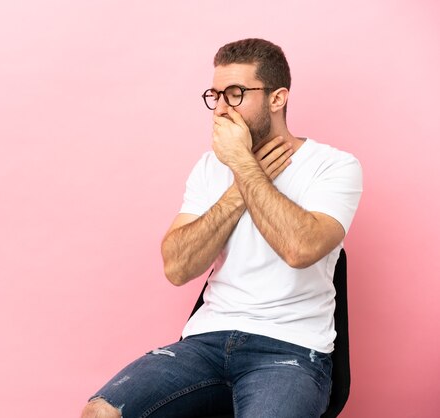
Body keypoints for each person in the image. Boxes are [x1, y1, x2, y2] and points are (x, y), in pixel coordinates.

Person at [81, 38, 363, 418]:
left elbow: (301, 249)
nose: (221, 110)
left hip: (290, 349)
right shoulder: (210, 167)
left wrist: (243, 165)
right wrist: (237, 185)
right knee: (101, 413)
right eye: (215, 96)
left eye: (236, 94)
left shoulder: (334, 166)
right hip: (206, 342)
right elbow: (177, 267)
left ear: (277, 98)